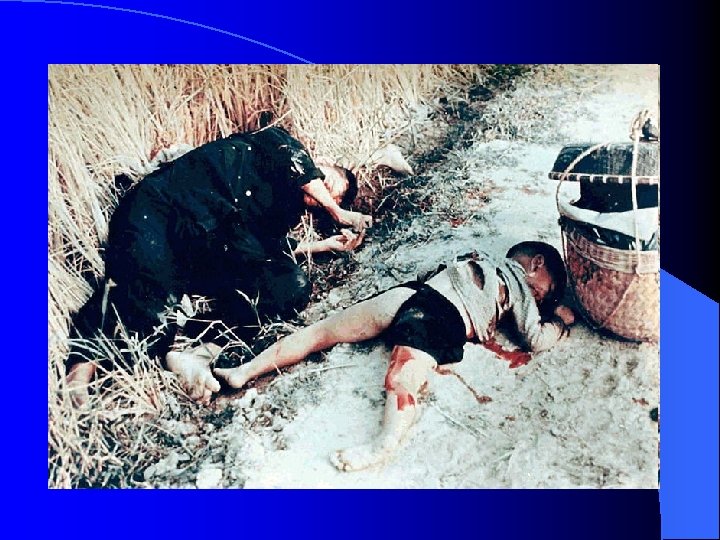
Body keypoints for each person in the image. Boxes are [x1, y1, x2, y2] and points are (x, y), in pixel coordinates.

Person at [65, 125, 375, 406]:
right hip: (163, 209)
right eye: (329, 182)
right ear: (320, 163)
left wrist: (324, 245)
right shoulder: (279, 144)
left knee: (289, 287)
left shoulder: (283, 214)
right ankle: (79, 375)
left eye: (333, 197)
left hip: (196, 251)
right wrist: (338, 212)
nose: (325, 193)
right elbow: (298, 166)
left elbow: (269, 249)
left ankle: (198, 348)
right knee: (141, 288)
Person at [212, 241, 576, 471]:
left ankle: (246, 370)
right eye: (546, 292)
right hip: (445, 311)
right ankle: (383, 444)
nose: (541, 299)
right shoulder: (518, 282)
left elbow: (433, 270)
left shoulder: (477, 255)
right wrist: (559, 322)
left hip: (413, 293)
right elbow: (534, 338)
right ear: (536, 264)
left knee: (322, 332)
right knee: (404, 375)